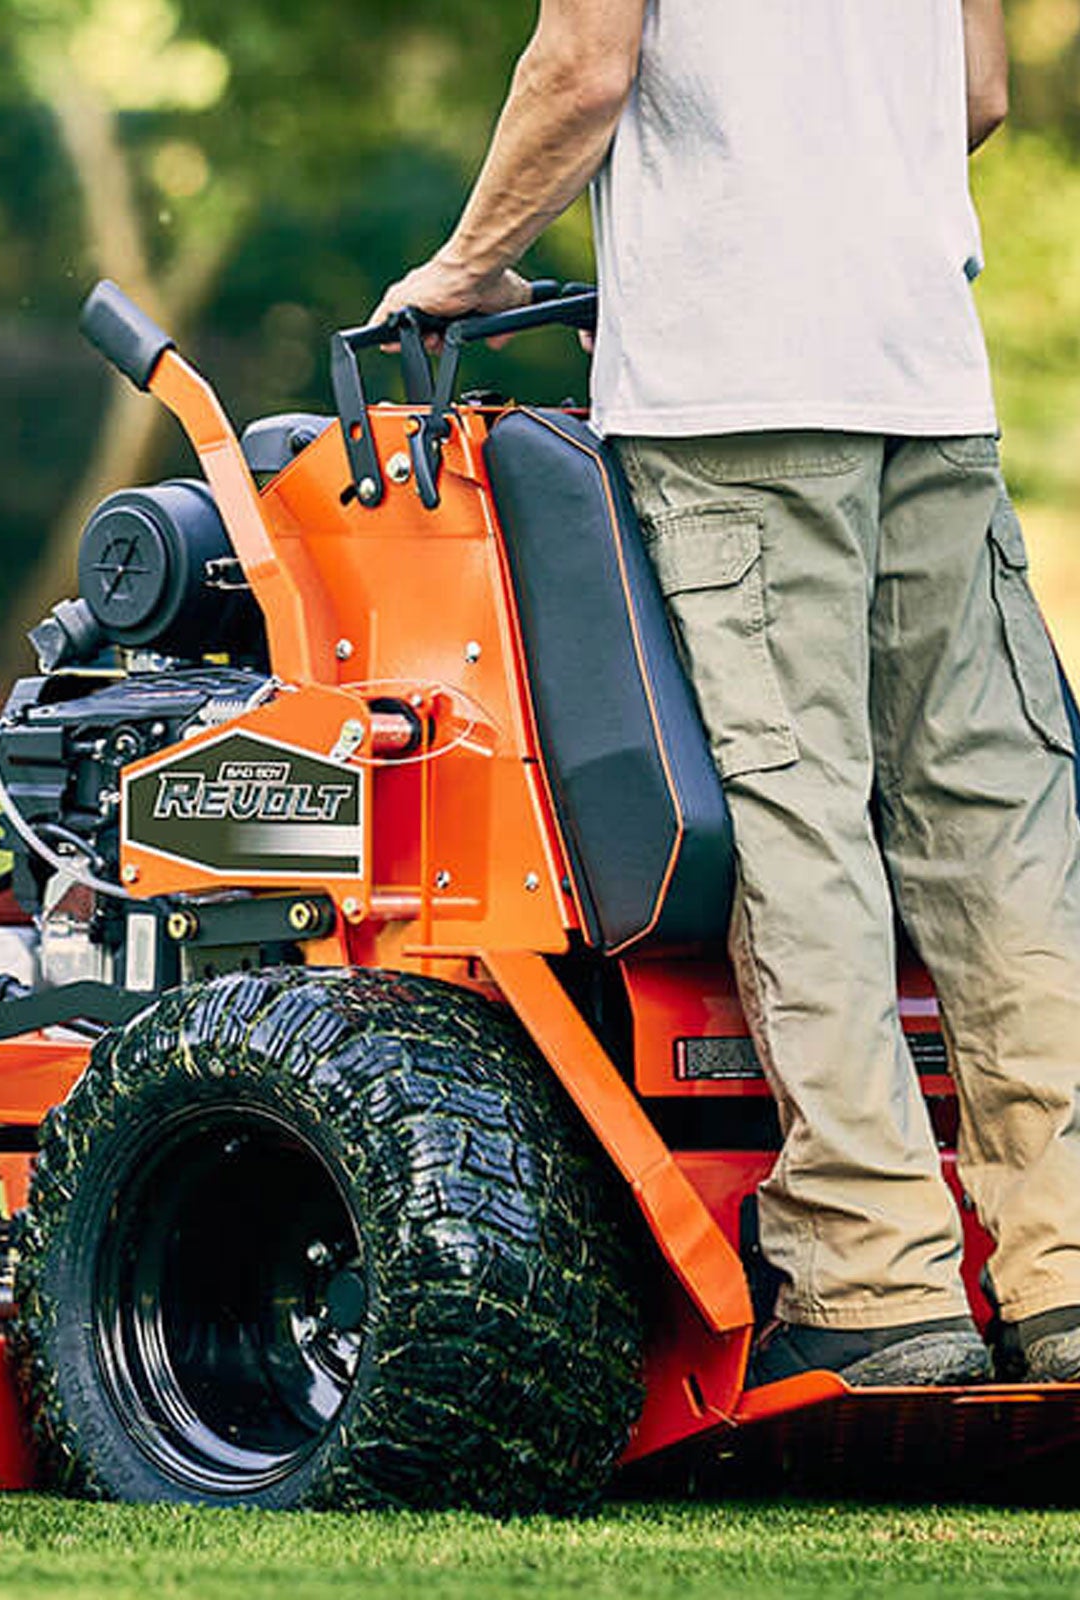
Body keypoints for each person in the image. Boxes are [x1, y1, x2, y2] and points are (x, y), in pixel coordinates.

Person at [372, 0, 1080, 1387]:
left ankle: (877, 1287)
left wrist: (469, 266)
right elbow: (977, 91)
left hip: (736, 392)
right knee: (998, 828)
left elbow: (584, 65)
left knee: (797, 816)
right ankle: (1061, 1272)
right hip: (927, 373)